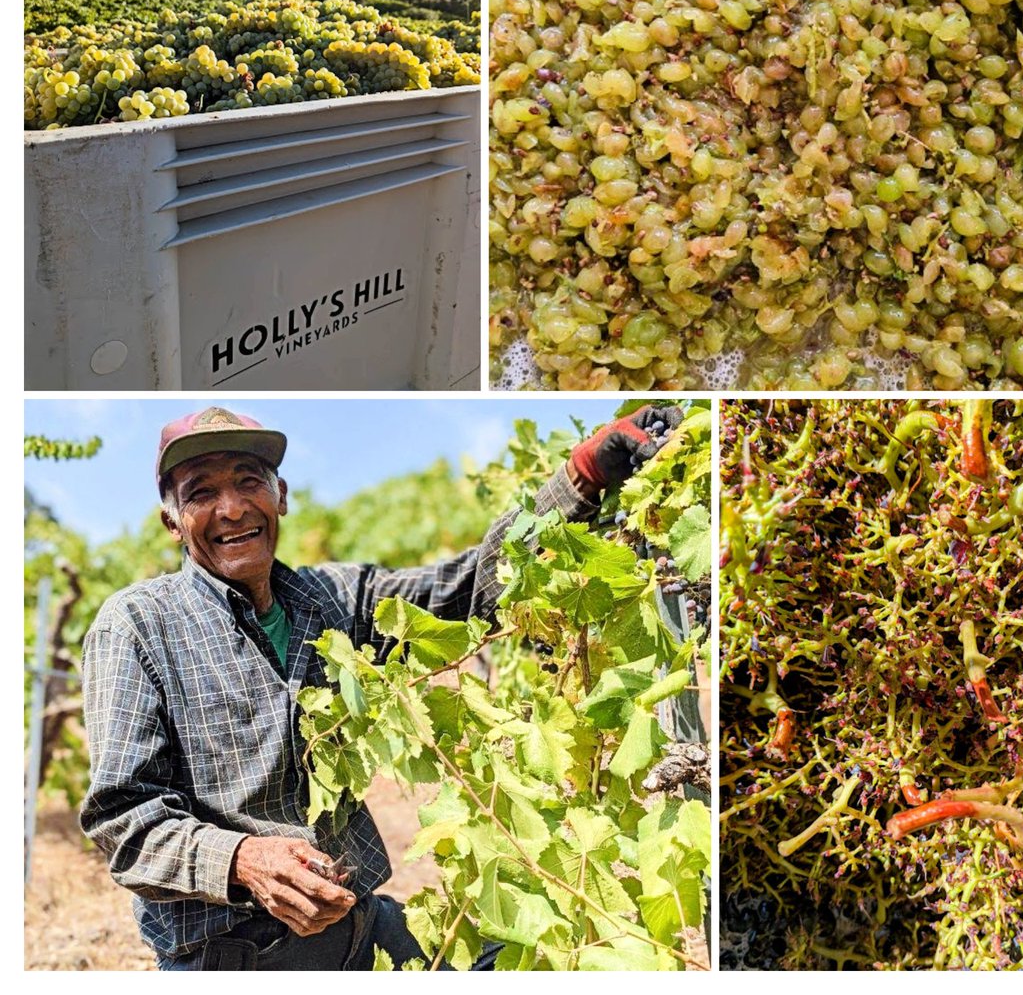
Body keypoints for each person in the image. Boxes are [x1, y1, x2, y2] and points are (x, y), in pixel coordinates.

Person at [80, 403, 682, 971]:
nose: (233, 508)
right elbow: (123, 823)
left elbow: (469, 589)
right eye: (201, 493)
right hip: (235, 954)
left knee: (526, 959)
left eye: (248, 481)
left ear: (280, 495)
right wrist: (243, 860)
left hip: (362, 924)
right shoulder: (138, 624)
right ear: (172, 521)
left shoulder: (331, 599)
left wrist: (581, 476)